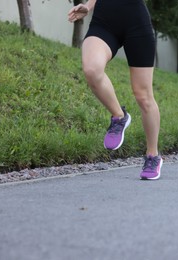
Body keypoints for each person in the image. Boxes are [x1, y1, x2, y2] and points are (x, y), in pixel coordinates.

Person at [68, 0, 163, 179]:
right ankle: (119, 117)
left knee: (143, 96)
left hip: (136, 22)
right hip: (104, 21)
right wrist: (87, 6)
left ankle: (153, 155)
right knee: (91, 70)